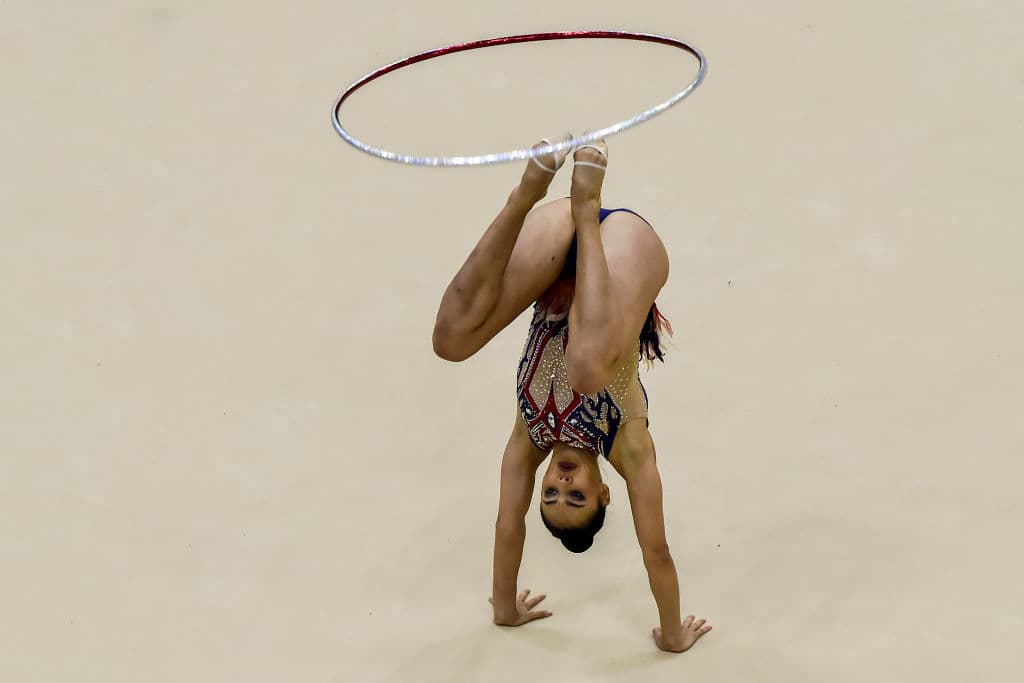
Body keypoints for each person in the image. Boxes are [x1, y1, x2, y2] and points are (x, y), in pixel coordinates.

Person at [431, 134, 712, 653]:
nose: (561, 482)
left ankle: (526, 189)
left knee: (449, 342)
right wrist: (673, 635)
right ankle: (589, 201)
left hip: (557, 247)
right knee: (587, 370)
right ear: (606, 492)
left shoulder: (528, 438)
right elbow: (656, 550)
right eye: (577, 495)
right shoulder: (627, 445)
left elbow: (506, 523)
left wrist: (505, 608)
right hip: (625, 248)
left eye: (551, 494)